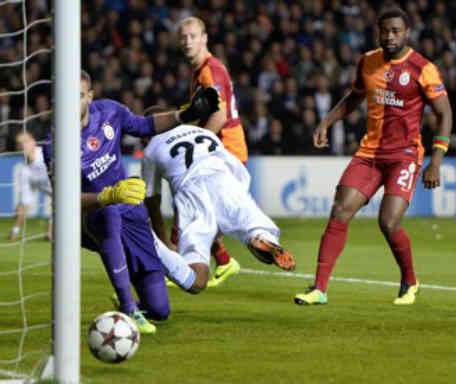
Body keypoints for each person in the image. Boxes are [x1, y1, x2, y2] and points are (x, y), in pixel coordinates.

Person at [294, 5, 452, 306]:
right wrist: (327, 121)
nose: (390, 36)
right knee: (340, 210)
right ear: (377, 32)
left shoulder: (423, 68)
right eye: (385, 31)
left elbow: (444, 112)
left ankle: (410, 281)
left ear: (406, 33)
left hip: (405, 155)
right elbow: (354, 97)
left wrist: (437, 159)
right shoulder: (367, 62)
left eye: (396, 31)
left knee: (389, 222)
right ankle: (319, 288)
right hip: (370, 152)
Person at [43, 70, 220, 334]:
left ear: (89, 97)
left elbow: (145, 125)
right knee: (110, 213)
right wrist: (107, 196)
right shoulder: (55, 143)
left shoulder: (110, 113)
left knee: (160, 309)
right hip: (90, 217)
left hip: (132, 213)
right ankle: (129, 308)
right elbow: (64, 200)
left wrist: (183, 115)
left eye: (79, 96)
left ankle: (136, 304)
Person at [141, 107, 295, 294]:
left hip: (191, 193)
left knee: (196, 279)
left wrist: (164, 244)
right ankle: (262, 238)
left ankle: (158, 262)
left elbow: (153, 204)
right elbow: (235, 167)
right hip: (224, 180)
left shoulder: (151, 150)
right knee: (254, 225)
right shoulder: (202, 132)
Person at [174, 16, 250, 287]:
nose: (187, 42)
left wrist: (194, 145)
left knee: (187, 202)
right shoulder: (199, 72)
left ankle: (175, 267)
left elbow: (218, 116)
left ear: (204, 38)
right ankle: (225, 261)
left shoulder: (210, 71)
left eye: (193, 36)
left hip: (226, 148)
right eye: (183, 37)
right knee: (194, 205)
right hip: (220, 147)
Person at [9, 131, 52, 241]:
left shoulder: (46, 154)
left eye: (25, 141)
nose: (23, 145)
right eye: (19, 143)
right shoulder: (24, 171)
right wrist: (15, 230)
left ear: (33, 142)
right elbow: (25, 203)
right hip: (56, 196)